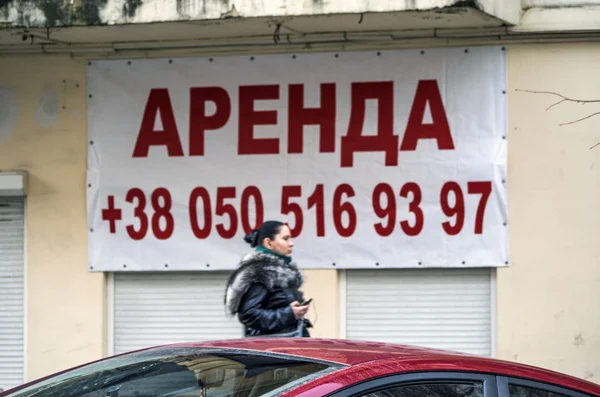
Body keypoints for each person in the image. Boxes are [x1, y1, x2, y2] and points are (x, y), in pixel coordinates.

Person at [224, 220, 312, 337]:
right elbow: (248, 315)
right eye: (285, 239)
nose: (291, 243)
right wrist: (290, 313)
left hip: (287, 342)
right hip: (272, 348)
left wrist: (296, 311)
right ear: (268, 243)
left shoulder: (281, 270)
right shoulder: (261, 272)